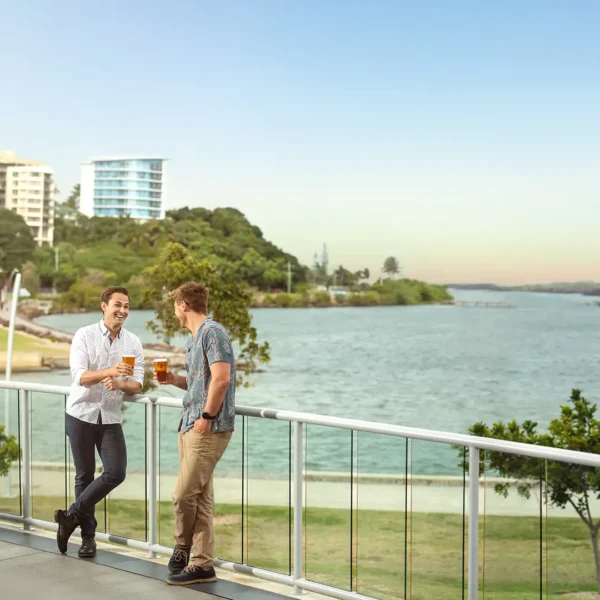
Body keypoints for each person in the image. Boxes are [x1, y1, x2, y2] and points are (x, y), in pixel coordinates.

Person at [54, 286, 144, 558]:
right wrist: (109, 371)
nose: (123, 311)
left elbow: (138, 383)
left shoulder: (133, 343)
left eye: (127, 306)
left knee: (116, 471)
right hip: (80, 413)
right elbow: (79, 376)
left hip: (110, 417)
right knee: (84, 476)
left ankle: (70, 516)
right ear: (104, 306)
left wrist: (120, 383)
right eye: (118, 304)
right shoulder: (84, 335)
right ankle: (88, 539)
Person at [158, 282, 236, 586]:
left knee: (182, 495)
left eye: (174, 305)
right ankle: (202, 565)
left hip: (207, 426)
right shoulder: (194, 339)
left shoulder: (213, 332)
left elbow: (222, 380)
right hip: (189, 424)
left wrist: (207, 416)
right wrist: (173, 379)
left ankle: (182, 546)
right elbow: (200, 384)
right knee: (200, 498)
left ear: (183, 305)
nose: (174, 311)